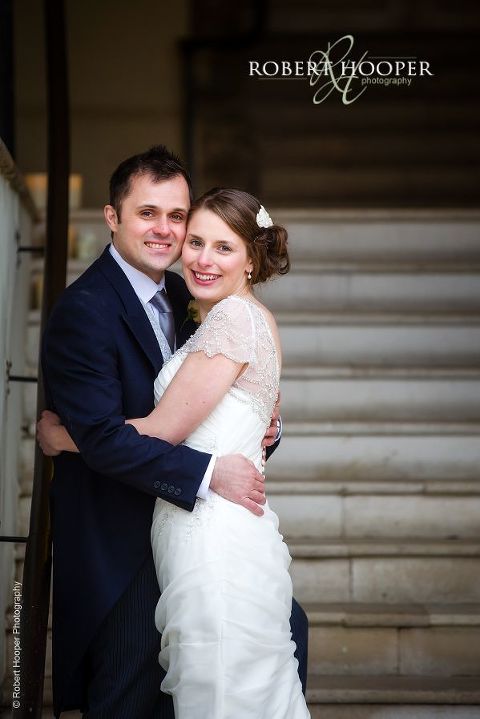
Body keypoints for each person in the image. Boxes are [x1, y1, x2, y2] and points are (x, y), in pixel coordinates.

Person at [37, 146, 308, 718]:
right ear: (112, 217)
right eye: (147, 213)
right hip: (124, 543)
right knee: (135, 692)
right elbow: (115, 438)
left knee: (255, 659)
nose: (166, 231)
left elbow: (219, 405)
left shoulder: (199, 294)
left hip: (202, 530)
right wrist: (212, 467)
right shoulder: (84, 310)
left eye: (177, 216)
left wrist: (263, 423)